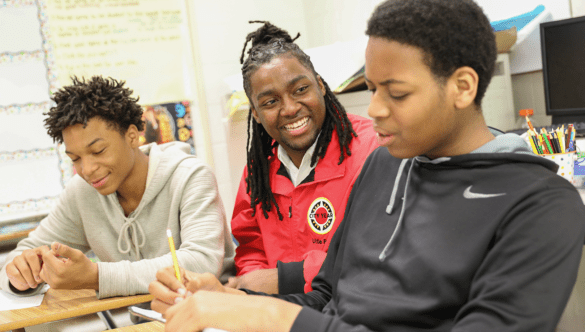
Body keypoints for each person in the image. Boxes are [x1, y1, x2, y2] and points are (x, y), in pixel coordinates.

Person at [148, 0, 585, 331]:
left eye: (395, 93)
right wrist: (232, 301)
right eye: (372, 88)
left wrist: (264, 314)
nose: (373, 109)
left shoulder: (541, 204)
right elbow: (328, 298)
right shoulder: (383, 166)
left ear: (463, 87)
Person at [0, 76, 235, 299]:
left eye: (98, 151)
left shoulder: (190, 177)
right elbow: (18, 258)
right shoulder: (82, 193)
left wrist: (97, 276)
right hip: (139, 320)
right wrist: (20, 275)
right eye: (75, 158)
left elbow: (201, 263)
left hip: (210, 315)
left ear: (132, 136)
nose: (87, 169)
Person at [226, 21, 378, 295]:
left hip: (355, 311)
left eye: (300, 90)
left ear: (320, 85)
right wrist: (253, 286)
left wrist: (290, 277)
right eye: (270, 102)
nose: (290, 109)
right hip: (281, 316)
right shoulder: (258, 172)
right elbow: (251, 248)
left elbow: (376, 249)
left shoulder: (370, 150)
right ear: (257, 114)